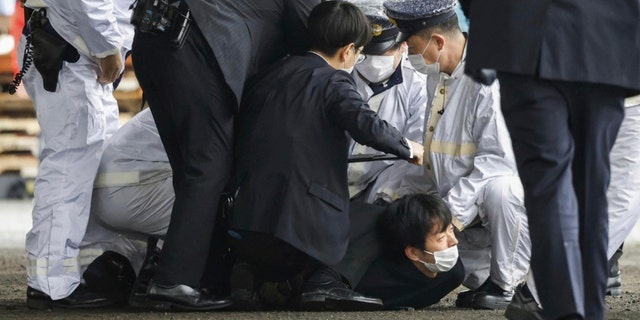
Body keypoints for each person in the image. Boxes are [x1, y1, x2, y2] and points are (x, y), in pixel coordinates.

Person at [228, 0, 423, 311]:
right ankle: (325, 282)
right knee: (373, 215)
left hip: (245, 224)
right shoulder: (335, 80)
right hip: (301, 232)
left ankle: (249, 278)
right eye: (360, 52)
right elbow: (364, 123)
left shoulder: (271, 73)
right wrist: (408, 147)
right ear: (347, 51)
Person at [130, 0, 320, 311]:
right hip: (197, 44)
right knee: (207, 168)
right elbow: (311, 31)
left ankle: (193, 276)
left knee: (190, 168)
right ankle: (174, 281)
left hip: (154, 38)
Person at [464, 0, 640, 319]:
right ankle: (584, 311)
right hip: (606, 34)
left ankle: (567, 311)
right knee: (592, 188)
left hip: (521, 31)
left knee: (549, 186)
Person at [381, 0, 531, 310]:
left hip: (491, 204)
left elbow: (496, 163)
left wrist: (445, 216)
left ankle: (507, 284)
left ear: (437, 42)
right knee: (392, 190)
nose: (408, 54)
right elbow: (439, 155)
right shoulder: (439, 72)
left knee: (504, 189)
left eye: (411, 45)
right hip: (458, 199)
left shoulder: (488, 81)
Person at [17, 0, 133, 309]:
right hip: (75, 50)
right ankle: (51, 281)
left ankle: (79, 270)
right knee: (69, 167)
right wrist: (108, 46)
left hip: (76, 50)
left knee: (88, 170)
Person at [347, 8, 427, 204]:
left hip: (381, 179)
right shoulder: (341, 75)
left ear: (402, 47)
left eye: (383, 53)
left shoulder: (417, 86)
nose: (374, 61)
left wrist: (385, 196)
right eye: (367, 53)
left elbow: (416, 153)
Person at [336, 193, 465, 310]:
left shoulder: (452, 275)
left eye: (451, 230)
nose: (454, 241)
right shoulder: (369, 276)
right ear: (414, 252)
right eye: (441, 238)